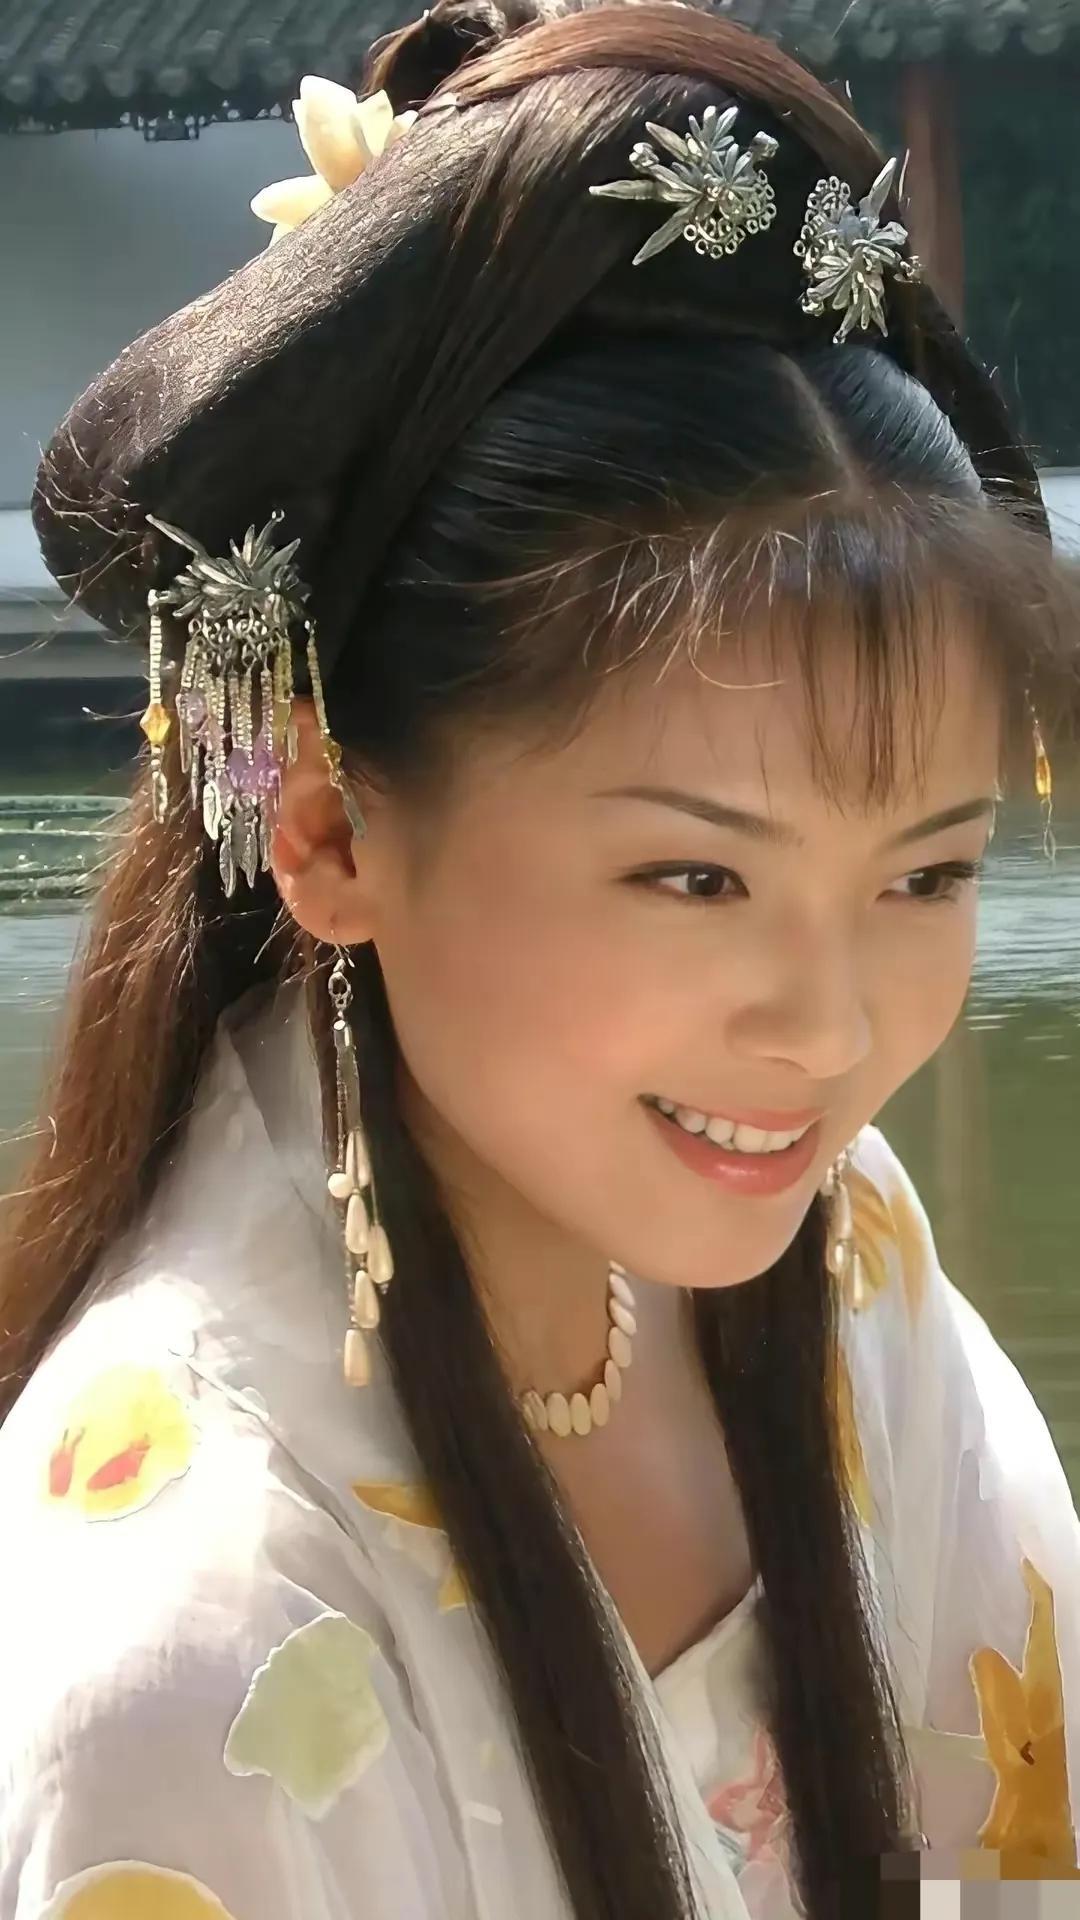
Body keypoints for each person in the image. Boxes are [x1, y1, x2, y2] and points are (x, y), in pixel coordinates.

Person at [1, 2, 1078, 1916]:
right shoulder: (194, 1640)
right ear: (330, 829)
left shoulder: (842, 1248)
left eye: (925, 876)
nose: (830, 1032)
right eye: (696, 878)